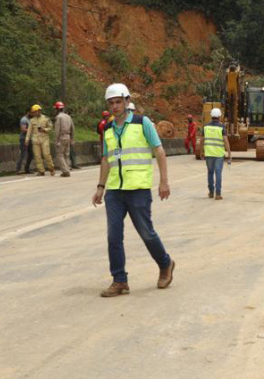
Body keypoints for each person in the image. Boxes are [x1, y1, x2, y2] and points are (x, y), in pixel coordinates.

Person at [92, 83, 174, 298]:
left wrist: (163, 181)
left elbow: (159, 150)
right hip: (115, 191)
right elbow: (106, 159)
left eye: (118, 101)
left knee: (146, 233)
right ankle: (119, 280)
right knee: (113, 237)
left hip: (138, 188)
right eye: (111, 103)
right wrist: (101, 187)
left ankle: (166, 264)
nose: (115, 106)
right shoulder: (108, 129)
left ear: (127, 102)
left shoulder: (142, 122)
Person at [203, 108, 231, 199]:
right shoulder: (221, 127)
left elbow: (202, 140)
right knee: (218, 173)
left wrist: (201, 151)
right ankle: (218, 194)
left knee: (210, 173)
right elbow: (225, 141)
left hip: (208, 153)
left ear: (211, 116)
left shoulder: (206, 127)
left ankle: (211, 192)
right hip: (219, 154)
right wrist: (229, 153)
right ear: (219, 116)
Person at [25, 104, 55, 176]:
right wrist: (27, 139)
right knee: (37, 156)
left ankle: (51, 168)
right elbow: (29, 130)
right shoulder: (32, 120)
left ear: (39, 111)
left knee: (46, 154)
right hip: (35, 140)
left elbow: (51, 128)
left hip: (44, 139)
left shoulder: (46, 118)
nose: (34, 113)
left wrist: (44, 129)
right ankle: (41, 171)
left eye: (35, 112)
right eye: (33, 112)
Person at [53, 101, 74, 177]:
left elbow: (57, 130)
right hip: (68, 136)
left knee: (60, 154)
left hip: (61, 137)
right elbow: (72, 128)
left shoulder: (58, 117)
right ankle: (67, 169)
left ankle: (65, 171)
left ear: (57, 109)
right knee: (66, 154)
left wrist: (56, 140)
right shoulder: (68, 116)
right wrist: (72, 138)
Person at [16, 109, 34, 174]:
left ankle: (27, 168)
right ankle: (18, 169)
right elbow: (23, 129)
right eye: (32, 113)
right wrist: (32, 130)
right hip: (23, 139)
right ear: (28, 112)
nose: (33, 114)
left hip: (30, 139)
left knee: (31, 155)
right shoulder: (23, 120)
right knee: (23, 154)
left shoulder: (30, 120)